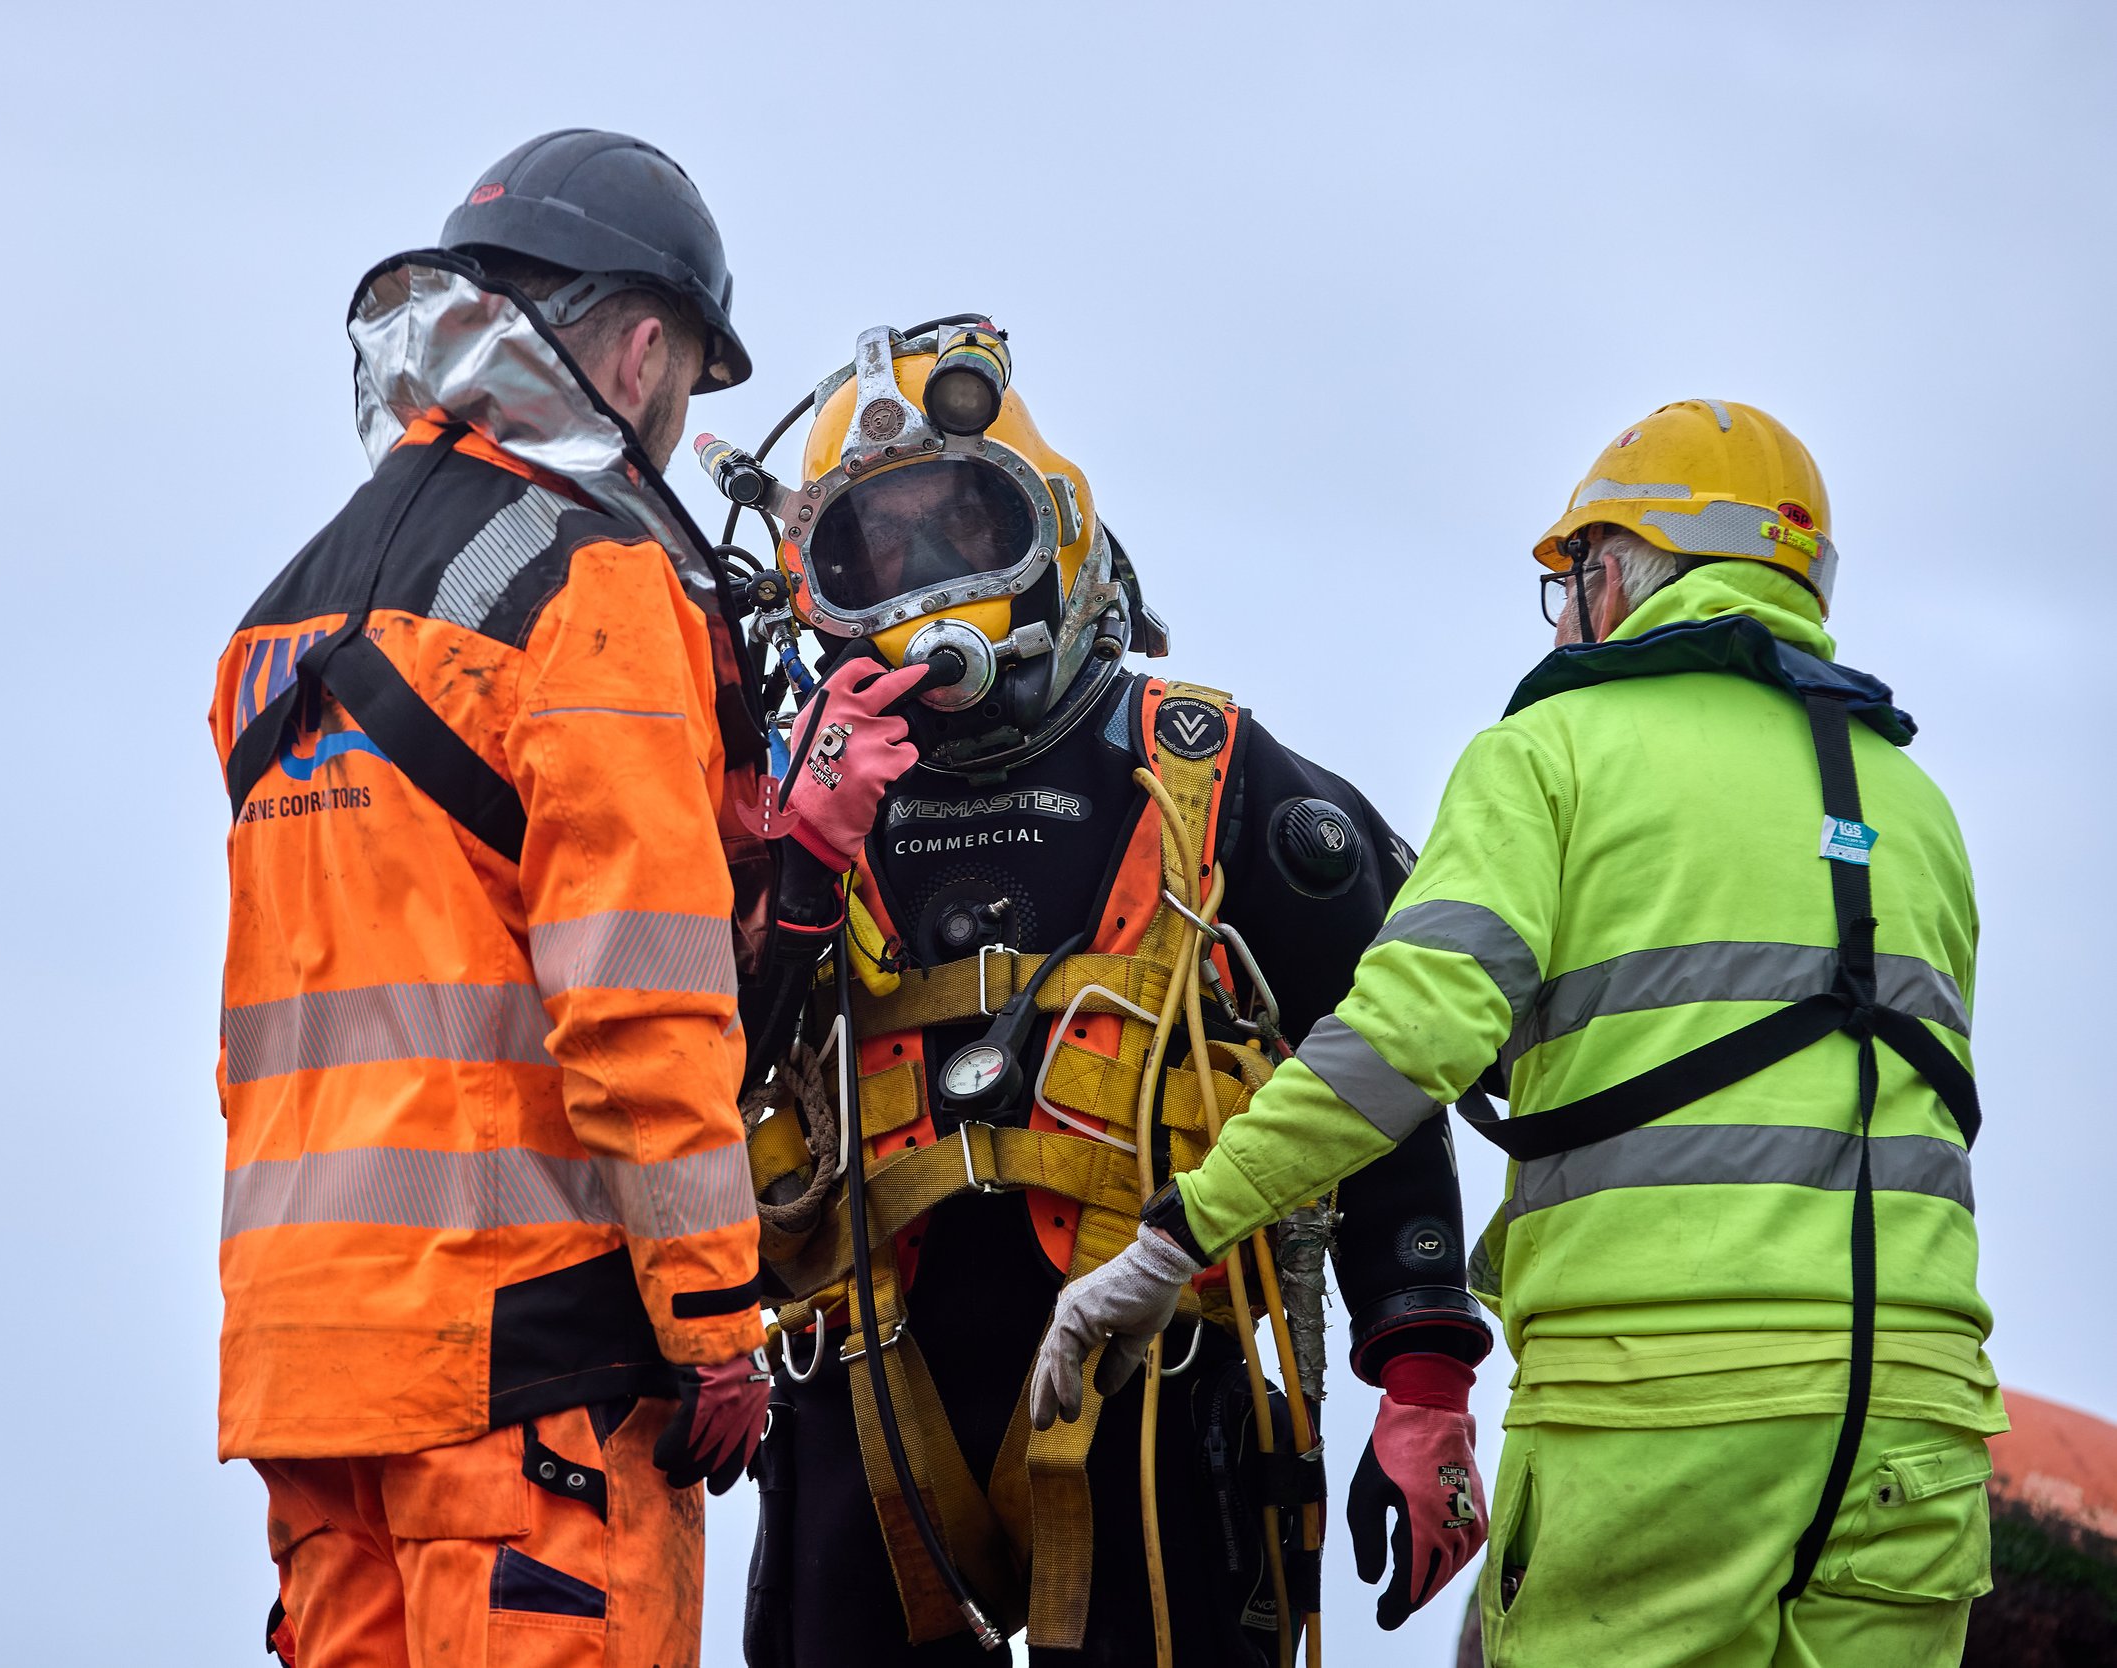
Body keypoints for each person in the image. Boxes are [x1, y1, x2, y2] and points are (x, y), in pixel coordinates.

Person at [1036, 399, 2000, 1666]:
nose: (1565, 613)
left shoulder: (1550, 751)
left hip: (1658, 1417)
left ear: (1614, 571)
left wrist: (1178, 1235)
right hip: (1918, 1432)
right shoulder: (1917, 806)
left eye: (1569, 581)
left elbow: (1400, 1044)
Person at [717, 322, 1494, 1665]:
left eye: (959, 527)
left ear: (1057, 531)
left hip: (1154, 1393)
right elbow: (682, 1068)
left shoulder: (1202, 773)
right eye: (874, 552)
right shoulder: (796, 813)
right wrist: (796, 868)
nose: (920, 587)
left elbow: (1379, 1057)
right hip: (865, 1394)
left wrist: (1421, 1375)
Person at [210, 129, 779, 1668]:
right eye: (685, 381)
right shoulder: (591, 585)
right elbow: (639, 998)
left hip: (304, 1361)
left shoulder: (280, 617)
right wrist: (718, 1322)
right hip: (524, 1371)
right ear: (648, 348)